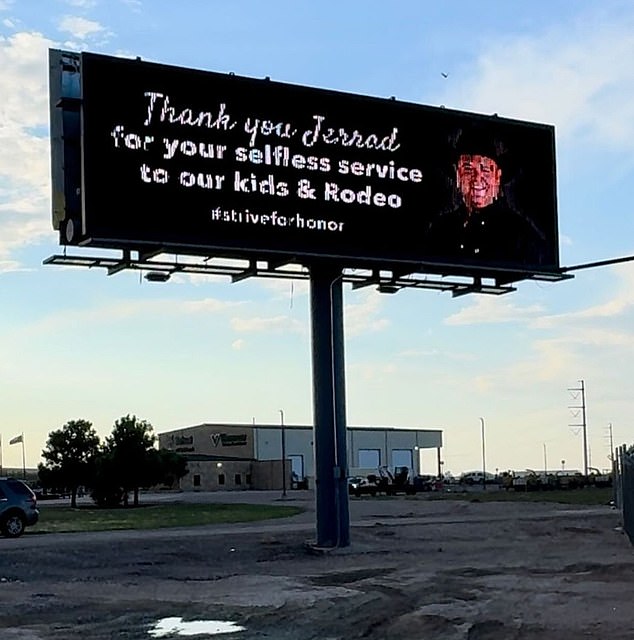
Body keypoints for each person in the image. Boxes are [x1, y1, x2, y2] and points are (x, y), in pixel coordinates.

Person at [424, 129, 549, 267]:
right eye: (468, 170)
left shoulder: (519, 232)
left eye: (485, 170)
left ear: (497, 176)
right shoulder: (441, 229)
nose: (477, 180)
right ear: (458, 175)